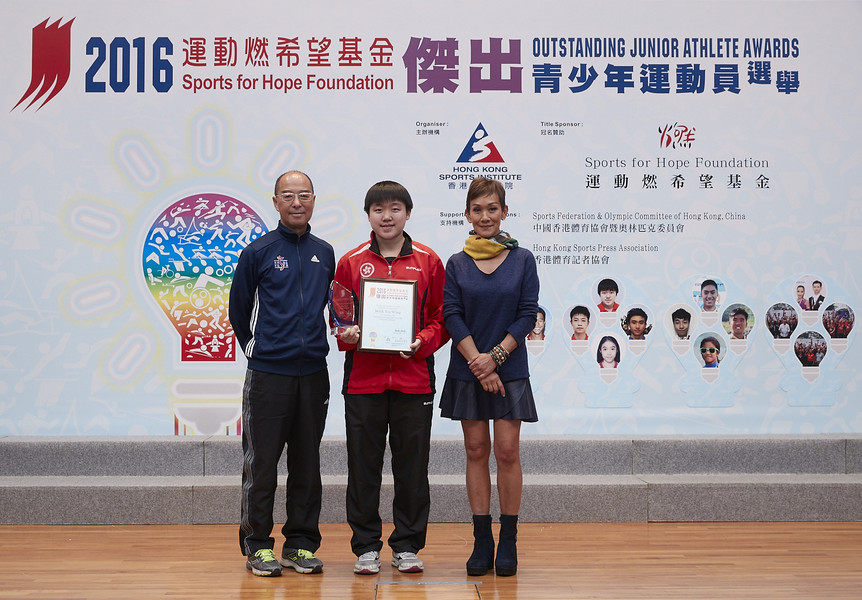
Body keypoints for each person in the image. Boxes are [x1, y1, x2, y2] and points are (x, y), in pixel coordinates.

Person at [334, 181, 449, 576]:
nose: (387, 216)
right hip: (363, 382)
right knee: (362, 465)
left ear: (408, 213)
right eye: (379, 209)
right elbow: (340, 317)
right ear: (368, 215)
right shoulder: (350, 262)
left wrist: (421, 341)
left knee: (412, 467)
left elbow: (440, 319)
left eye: (395, 208)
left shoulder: (429, 260)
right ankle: (366, 546)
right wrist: (346, 334)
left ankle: (406, 545)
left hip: (413, 379)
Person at [228, 170, 335, 577]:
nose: (296, 201)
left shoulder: (325, 252)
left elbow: (336, 307)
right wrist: (256, 349)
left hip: (314, 375)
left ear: (313, 200)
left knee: (308, 463)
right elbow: (240, 309)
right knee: (262, 463)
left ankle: (301, 544)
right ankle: (257, 544)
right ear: (275, 202)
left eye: (304, 194)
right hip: (268, 375)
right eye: (287, 195)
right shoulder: (258, 252)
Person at [440, 177, 539, 578]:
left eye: (492, 208)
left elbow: (528, 314)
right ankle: (482, 540)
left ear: (504, 212)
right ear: (467, 214)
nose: (485, 216)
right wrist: (478, 362)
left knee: (507, 452)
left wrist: (495, 357)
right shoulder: (457, 263)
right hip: (468, 368)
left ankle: (509, 540)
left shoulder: (523, 259)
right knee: (476, 450)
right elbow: (451, 314)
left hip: (509, 368)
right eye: (477, 209)